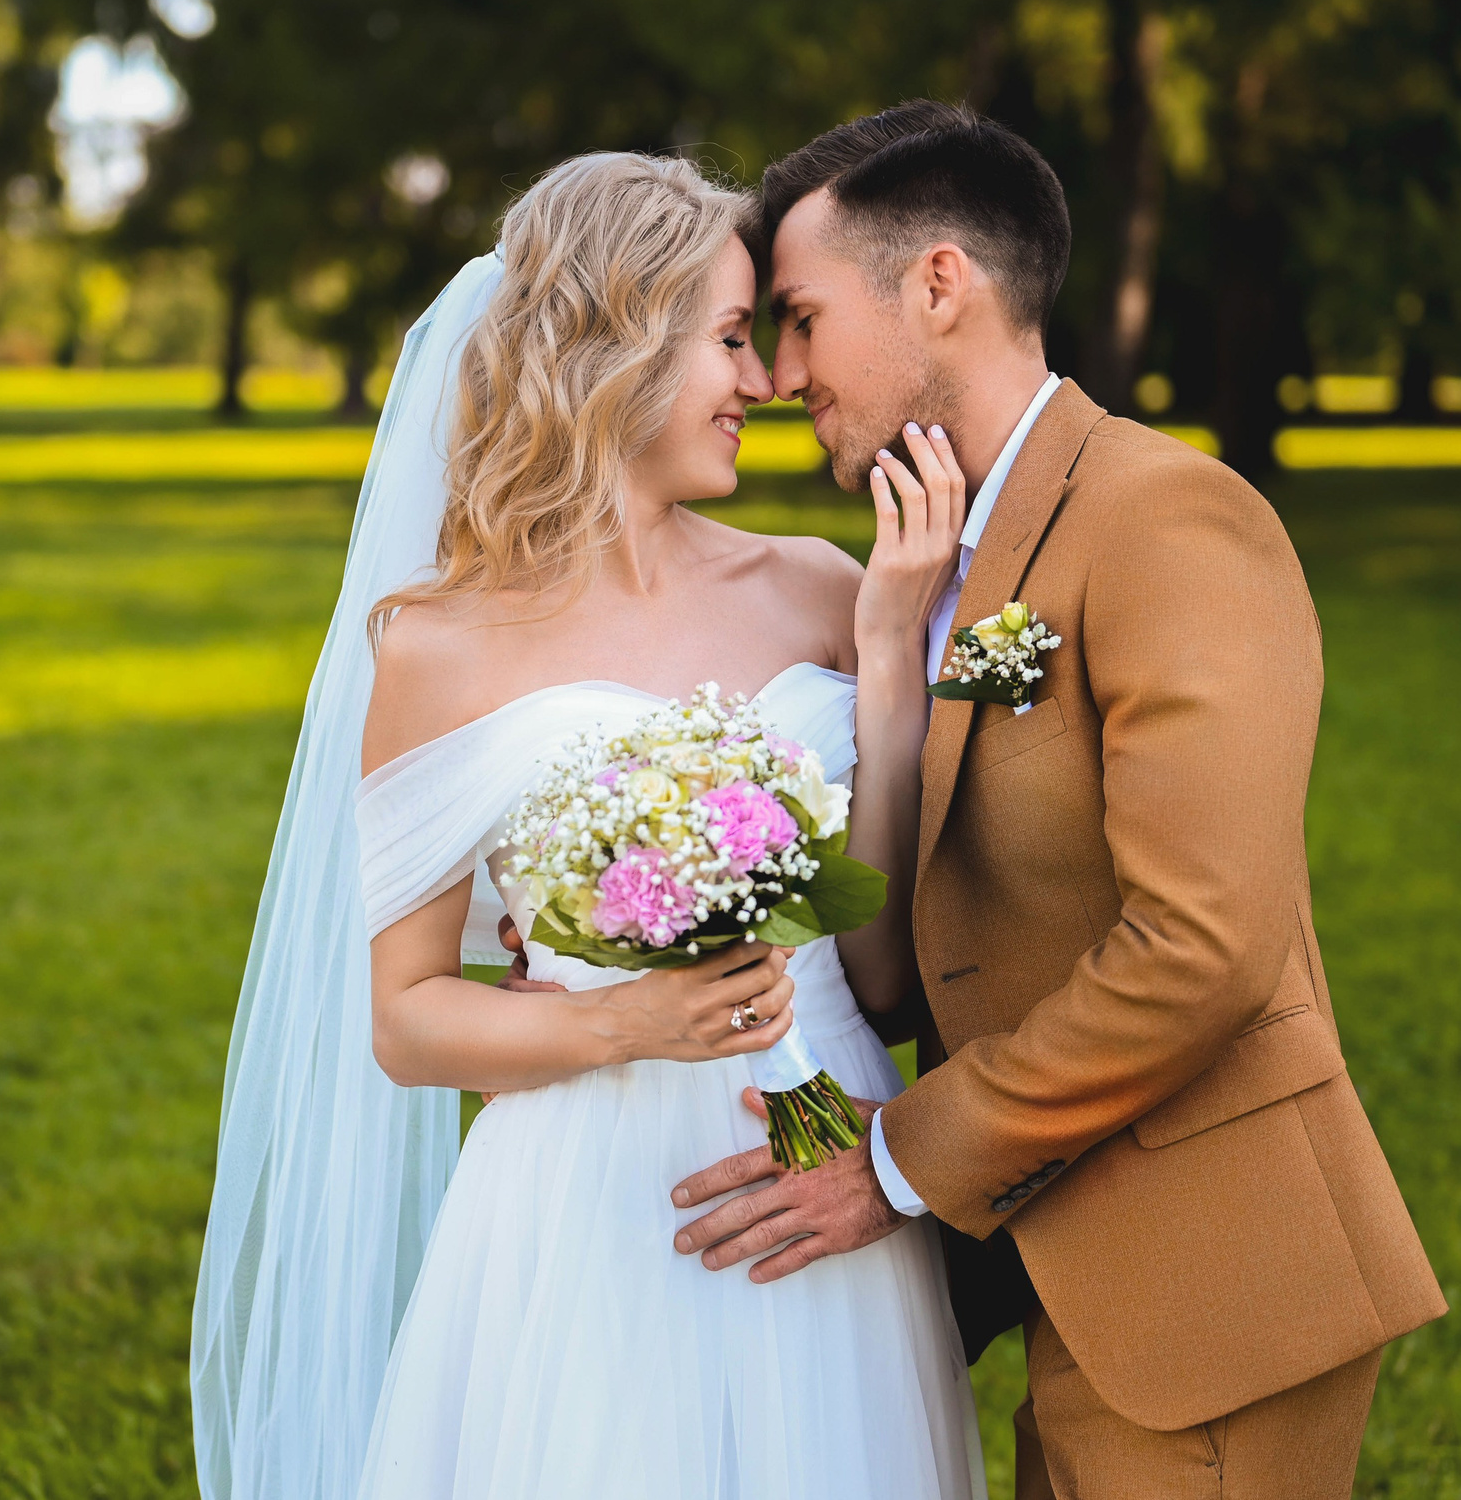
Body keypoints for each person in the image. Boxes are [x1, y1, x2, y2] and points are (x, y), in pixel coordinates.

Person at [666, 101, 1447, 1497]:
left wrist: (897, 1161)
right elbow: (919, 966)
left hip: (1206, 1292)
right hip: (1061, 1264)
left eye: (799, 315)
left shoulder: (1164, 521)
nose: (782, 375)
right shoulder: (943, 552)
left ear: (940, 284)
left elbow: (1200, 949)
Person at [189, 150, 985, 1500]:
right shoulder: (442, 647)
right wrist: (621, 1022)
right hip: (583, 1205)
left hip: (816, 1163)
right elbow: (407, 1015)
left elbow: (886, 969)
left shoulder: (818, 589)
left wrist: (894, 649)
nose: (764, 382)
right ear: (614, 341)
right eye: (731, 340)